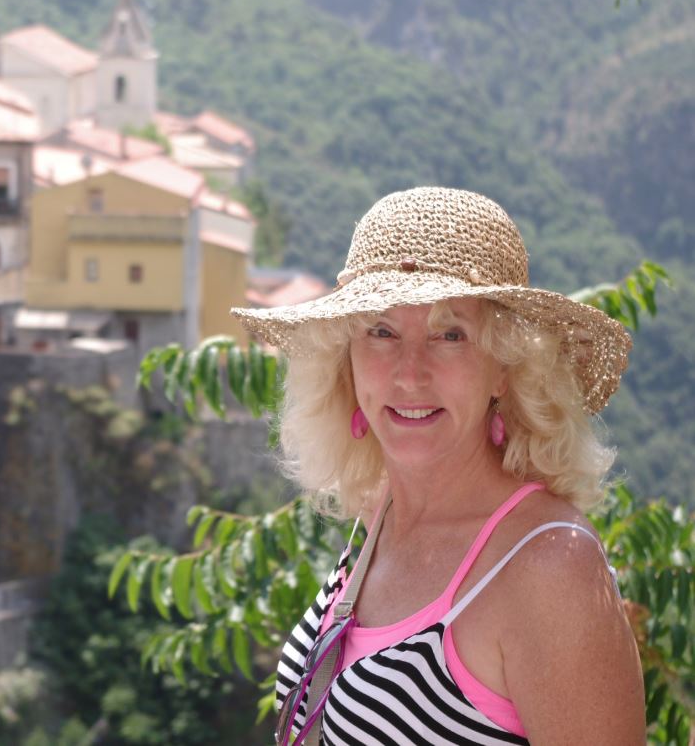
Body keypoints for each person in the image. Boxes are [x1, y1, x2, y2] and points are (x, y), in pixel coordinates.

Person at [232, 187, 645, 745]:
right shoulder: (384, 516)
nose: (409, 374)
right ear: (346, 362)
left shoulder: (549, 564)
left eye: (450, 335)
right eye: (381, 332)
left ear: (505, 369)